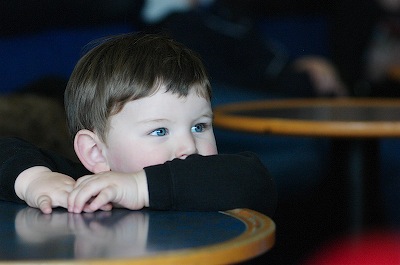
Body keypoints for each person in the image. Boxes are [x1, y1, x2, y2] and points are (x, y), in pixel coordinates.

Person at [0, 32, 276, 217]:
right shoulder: (81, 188)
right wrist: (34, 180)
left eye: (199, 127)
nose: (188, 146)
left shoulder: (212, 180)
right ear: (96, 152)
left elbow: (255, 180)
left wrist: (139, 186)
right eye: (159, 131)